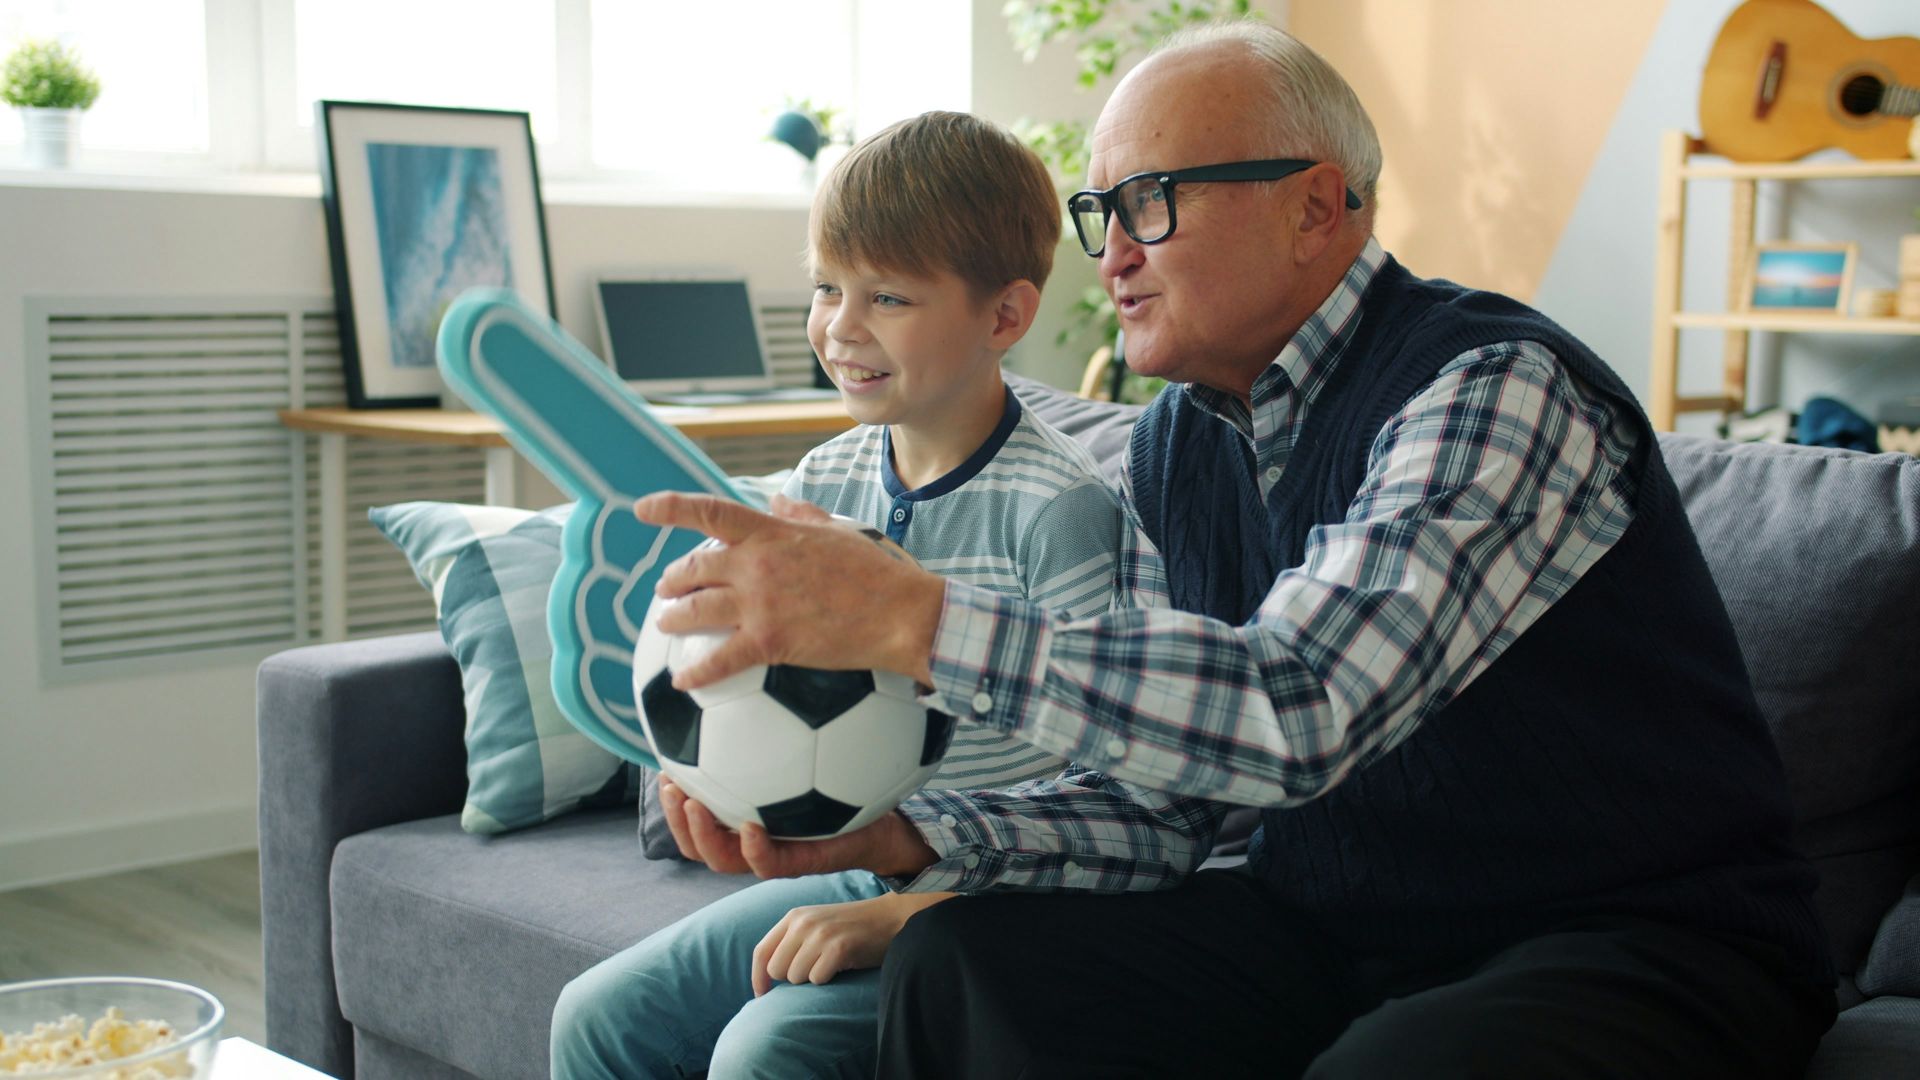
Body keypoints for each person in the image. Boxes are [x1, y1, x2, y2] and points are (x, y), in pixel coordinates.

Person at [633, 20, 1837, 1080]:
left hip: (1631, 937)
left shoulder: (1493, 391)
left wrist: (917, 618)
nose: (1111, 255)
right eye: (1100, 213)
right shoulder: (1178, 447)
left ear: (1315, 206)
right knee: (966, 960)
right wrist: (909, 838)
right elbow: (1169, 810)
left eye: (1151, 202)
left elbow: (1300, 705)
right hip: (1332, 925)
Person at [549, 110, 1129, 1080]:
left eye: (888, 297)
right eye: (827, 287)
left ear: (1005, 316)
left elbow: (1110, 787)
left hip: (1001, 897)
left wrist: (906, 909)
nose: (840, 327)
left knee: (761, 1057)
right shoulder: (823, 480)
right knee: (596, 1019)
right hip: (858, 858)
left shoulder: (1060, 510)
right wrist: (707, 766)